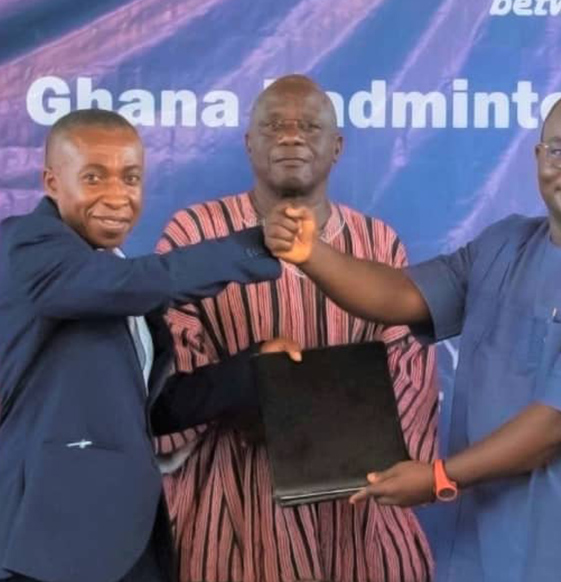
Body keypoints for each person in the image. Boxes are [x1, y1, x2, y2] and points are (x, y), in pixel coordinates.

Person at [265, 89, 561, 582]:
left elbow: (560, 424)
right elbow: (403, 295)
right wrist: (312, 255)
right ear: (537, 158)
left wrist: (441, 477)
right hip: (487, 542)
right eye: (559, 150)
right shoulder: (505, 243)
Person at [155, 74, 439, 582]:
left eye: (309, 125)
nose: (291, 136)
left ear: (336, 146)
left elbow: (405, 370)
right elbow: (171, 373)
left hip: (354, 500)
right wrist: (251, 391)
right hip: (233, 495)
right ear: (248, 143)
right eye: (274, 126)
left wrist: (311, 426)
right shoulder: (194, 233)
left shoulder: (377, 243)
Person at [0, 109, 297, 582]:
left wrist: (252, 369)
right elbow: (132, 282)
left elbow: (149, 411)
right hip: (50, 543)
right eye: (93, 177)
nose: (117, 196)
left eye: (131, 177)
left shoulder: (117, 275)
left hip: (125, 539)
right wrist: (255, 247)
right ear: (52, 182)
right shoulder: (26, 245)